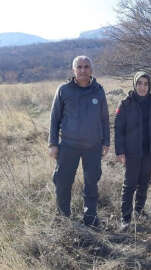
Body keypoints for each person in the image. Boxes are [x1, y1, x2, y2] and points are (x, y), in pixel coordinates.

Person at [48, 55, 110, 227]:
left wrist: (106, 142)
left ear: (91, 69)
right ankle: (63, 217)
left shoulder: (98, 90)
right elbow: (54, 119)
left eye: (86, 66)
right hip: (68, 145)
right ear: (74, 70)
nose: (83, 70)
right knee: (62, 181)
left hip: (93, 146)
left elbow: (105, 119)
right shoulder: (64, 90)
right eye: (79, 67)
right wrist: (52, 144)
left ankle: (90, 217)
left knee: (91, 182)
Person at [114, 72, 151, 230]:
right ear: (134, 84)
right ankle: (125, 218)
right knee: (130, 184)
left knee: (144, 182)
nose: (142, 87)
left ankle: (139, 211)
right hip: (132, 151)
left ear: (149, 85)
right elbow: (118, 129)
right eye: (139, 83)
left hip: (149, 151)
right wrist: (120, 151)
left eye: (146, 84)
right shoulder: (125, 103)